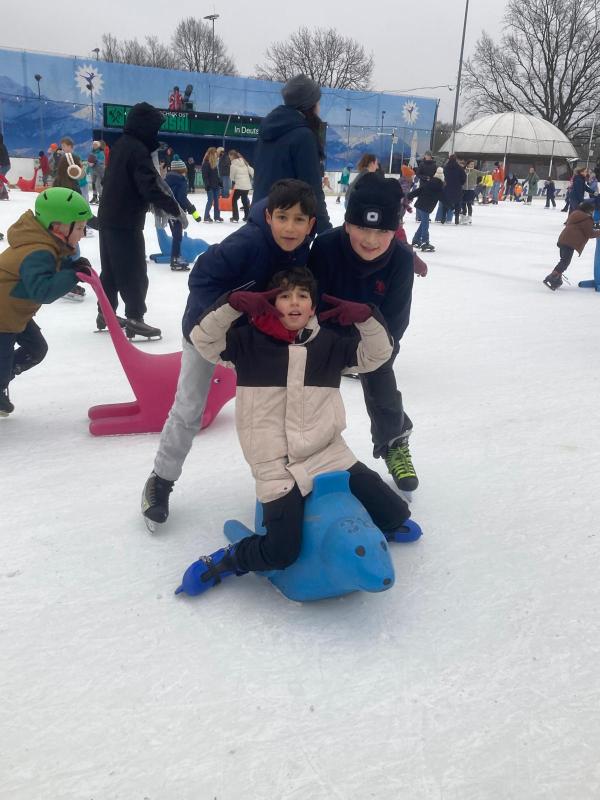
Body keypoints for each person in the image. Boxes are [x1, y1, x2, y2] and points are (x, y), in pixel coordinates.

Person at [175, 266, 422, 596]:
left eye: (302, 296)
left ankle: (372, 527)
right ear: (271, 303)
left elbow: (377, 355)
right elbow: (202, 340)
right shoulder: (246, 343)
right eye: (284, 296)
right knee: (282, 552)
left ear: (312, 306)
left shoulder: (330, 345)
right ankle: (232, 559)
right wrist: (230, 305)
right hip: (275, 465)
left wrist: (367, 317)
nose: (294, 302)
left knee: (397, 515)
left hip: (329, 454)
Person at [141, 179, 317, 526]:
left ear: (311, 224)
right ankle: (160, 480)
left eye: (299, 220)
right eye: (283, 218)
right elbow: (200, 279)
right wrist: (232, 306)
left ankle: (287, 483)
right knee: (189, 408)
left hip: (255, 339)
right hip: (206, 332)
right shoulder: (246, 243)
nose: (290, 228)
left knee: (283, 408)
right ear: (269, 217)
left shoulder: (302, 250)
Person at [308, 172, 418, 492]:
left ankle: (394, 442)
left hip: (374, 338)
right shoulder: (326, 247)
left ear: (395, 229)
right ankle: (308, 452)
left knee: (383, 387)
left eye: (382, 231)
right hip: (326, 336)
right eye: (362, 228)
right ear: (347, 224)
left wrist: (374, 353)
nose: (371, 240)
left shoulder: (401, 259)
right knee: (310, 394)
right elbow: (309, 303)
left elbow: (396, 321)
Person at [0, 188, 92, 416]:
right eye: (79, 228)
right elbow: (43, 291)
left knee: (36, 349)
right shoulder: (38, 252)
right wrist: (73, 274)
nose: (82, 234)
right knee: (2, 367)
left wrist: (72, 266)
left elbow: (51, 269)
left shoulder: (46, 244)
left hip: (13, 313)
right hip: (3, 317)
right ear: (58, 227)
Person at [97, 102, 180, 338]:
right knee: (133, 270)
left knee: (111, 270)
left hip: (108, 217)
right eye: (154, 128)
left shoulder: (121, 145)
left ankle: (105, 313)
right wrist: (172, 207)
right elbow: (148, 185)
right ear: (145, 126)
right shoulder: (137, 150)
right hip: (125, 220)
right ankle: (135, 317)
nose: (156, 133)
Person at [252, 74, 331, 234]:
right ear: (310, 105)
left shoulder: (268, 129)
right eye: (318, 102)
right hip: (288, 225)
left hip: (261, 217)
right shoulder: (303, 136)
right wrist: (325, 231)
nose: (319, 108)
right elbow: (312, 188)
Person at [543, 201, 600, 290]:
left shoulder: (575, 214)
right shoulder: (587, 219)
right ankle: (552, 277)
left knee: (563, 260)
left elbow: (581, 227)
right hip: (570, 242)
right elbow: (590, 234)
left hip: (563, 239)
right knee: (565, 262)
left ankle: (557, 278)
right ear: (589, 210)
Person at [164, 157, 202, 271]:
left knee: (175, 235)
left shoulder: (166, 179)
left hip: (168, 210)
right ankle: (175, 259)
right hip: (177, 211)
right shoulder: (181, 181)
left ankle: (176, 256)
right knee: (177, 235)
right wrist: (194, 212)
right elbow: (182, 198)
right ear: (182, 170)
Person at [408, 166, 444, 251]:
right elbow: (443, 198)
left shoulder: (429, 182)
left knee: (423, 224)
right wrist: (451, 205)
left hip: (420, 205)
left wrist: (409, 195)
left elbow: (419, 190)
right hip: (426, 207)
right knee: (425, 225)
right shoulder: (439, 186)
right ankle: (425, 242)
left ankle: (416, 240)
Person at [229, 149, 254, 222]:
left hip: (239, 186)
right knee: (244, 200)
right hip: (247, 185)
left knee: (234, 200)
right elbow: (251, 171)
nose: (229, 158)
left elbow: (232, 177)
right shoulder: (244, 162)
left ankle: (235, 217)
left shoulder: (233, 165)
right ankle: (247, 217)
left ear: (232, 156)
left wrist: (235, 180)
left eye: (229, 156)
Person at [442, 154, 466, 224]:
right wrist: (460, 183)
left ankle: (443, 218)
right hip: (457, 188)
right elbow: (464, 178)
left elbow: (442, 177)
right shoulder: (460, 168)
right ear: (456, 160)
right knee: (457, 203)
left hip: (447, 188)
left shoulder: (445, 168)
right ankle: (456, 219)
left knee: (445, 203)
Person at [200, 147, 222, 223]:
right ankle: (206, 217)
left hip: (216, 186)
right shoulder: (206, 163)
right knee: (210, 201)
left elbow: (216, 175)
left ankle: (217, 217)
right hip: (210, 186)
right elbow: (205, 176)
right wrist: (207, 185)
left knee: (216, 202)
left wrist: (219, 182)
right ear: (212, 154)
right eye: (215, 153)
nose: (216, 155)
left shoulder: (214, 164)